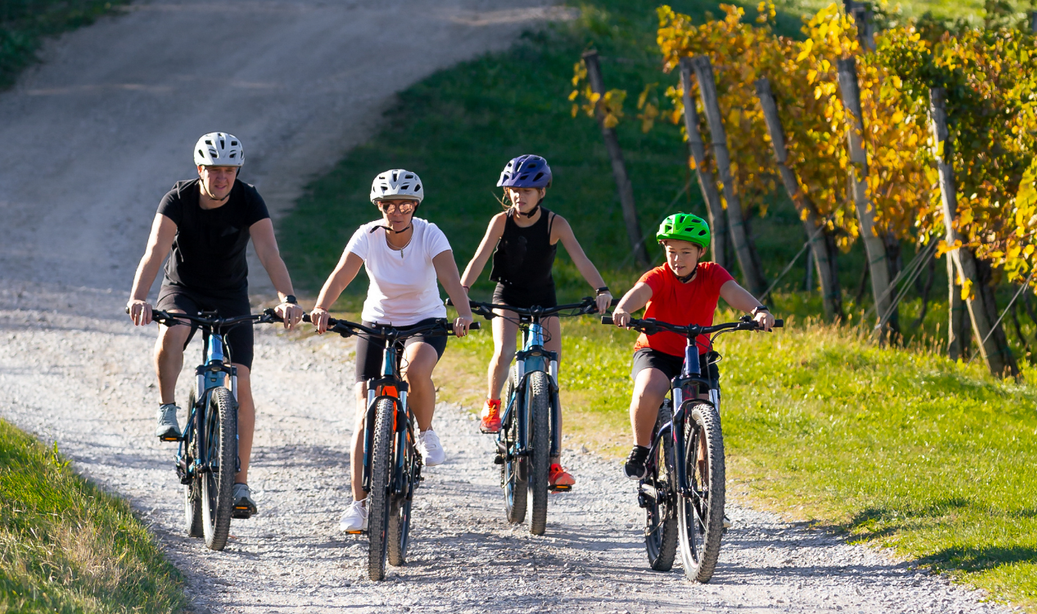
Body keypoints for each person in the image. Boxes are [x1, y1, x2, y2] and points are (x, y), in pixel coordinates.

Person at [126, 132, 304, 518]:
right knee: (172, 331)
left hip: (229, 295)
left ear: (237, 171)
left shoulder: (248, 198)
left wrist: (287, 298)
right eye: (214, 170)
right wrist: (139, 296)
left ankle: (239, 484)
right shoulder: (178, 198)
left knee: (240, 380)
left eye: (229, 170)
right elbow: (155, 250)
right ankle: (167, 408)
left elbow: (268, 251)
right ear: (199, 170)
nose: (222, 177)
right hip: (183, 288)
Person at [308, 169, 474, 534]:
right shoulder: (367, 236)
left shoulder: (430, 234)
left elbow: (450, 276)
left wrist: (463, 313)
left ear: (414, 206)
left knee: (415, 372)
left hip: (424, 322)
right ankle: (359, 504)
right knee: (363, 411)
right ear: (379, 206)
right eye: (388, 205)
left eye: (403, 204)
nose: (396, 211)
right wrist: (322, 307)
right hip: (377, 325)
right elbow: (341, 275)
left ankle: (426, 432)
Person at [460, 154, 611, 490]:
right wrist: (462, 292)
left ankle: (554, 463)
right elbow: (479, 256)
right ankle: (493, 404)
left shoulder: (556, 223)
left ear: (543, 191)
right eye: (514, 189)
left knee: (551, 376)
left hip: (544, 301)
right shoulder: (500, 221)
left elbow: (581, 258)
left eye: (527, 189)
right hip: (508, 298)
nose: (519, 195)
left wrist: (600, 289)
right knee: (504, 349)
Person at [609, 213, 772, 479]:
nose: (677, 259)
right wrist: (624, 309)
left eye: (686, 252)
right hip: (656, 351)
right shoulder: (659, 276)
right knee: (648, 390)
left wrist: (759, 309)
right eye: (672, 251)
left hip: (698, 354)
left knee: (707, 416)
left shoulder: (712, 273)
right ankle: (641, 448)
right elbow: (640, 291)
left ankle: (710, 491)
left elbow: (732, 291)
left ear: (701, 251)